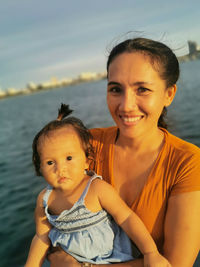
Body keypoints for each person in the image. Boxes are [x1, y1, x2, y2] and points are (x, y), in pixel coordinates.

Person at [47, 37, 200, 267]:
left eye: (143, 90)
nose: (126, 105)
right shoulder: (87, 145)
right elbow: (53, 226)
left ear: (169, 94)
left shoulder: (187, 163)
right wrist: (56, 254)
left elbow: (176, 263)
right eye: (116, 89)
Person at [25, 104, 171, 267]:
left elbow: (127, 218)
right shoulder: (45, 199)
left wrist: (150, 252)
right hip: (70, 260)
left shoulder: (96, 189)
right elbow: (41, 236)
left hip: (111, 259)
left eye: (69, 158)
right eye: (50, 162)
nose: (61, 169)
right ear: (40, 168)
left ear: (87, 161)